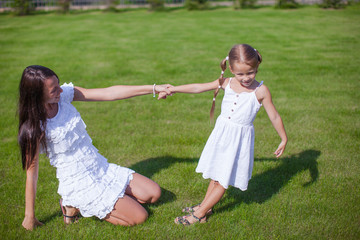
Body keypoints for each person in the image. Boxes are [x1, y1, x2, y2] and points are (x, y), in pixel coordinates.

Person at [18, 65, 172, 230]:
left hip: (99, 167)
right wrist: (29, 216)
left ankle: (89, 202)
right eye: (53, 90)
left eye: (59, 85)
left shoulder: (64, 96)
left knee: (154, 193)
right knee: (140, 217)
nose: (60, 91)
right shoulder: (33, 128)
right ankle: (72, 203)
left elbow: (109, 93)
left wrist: (154, 88)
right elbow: (31, 174)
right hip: (79, 182)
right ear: (36, 95)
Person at [167, 44, 288, 225]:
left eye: (251, 73)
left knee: (223, 180)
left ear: (257, 68)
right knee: (217, 174)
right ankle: (205, 207)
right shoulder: (227, 83)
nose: (246, 78)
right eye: (241, 74)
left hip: (238, 141)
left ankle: (198, 214)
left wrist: (283, 138)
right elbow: (197, 88)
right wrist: (173, 89)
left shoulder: (261, 91)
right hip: (222, 135)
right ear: (231, 69)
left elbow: (274, 115)